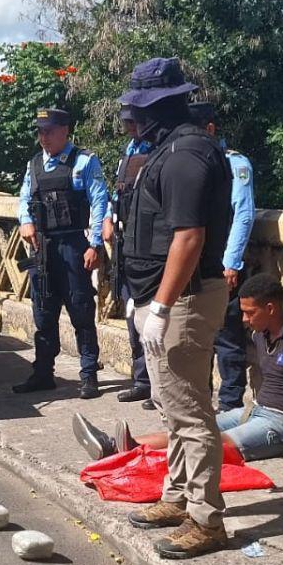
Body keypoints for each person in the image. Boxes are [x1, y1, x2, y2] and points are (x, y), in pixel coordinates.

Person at [120, 57, 232, 560]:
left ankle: (206, 519)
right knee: (171, 405)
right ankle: (178, 496)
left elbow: (189, 237)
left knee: (189, 411)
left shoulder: (187, 153)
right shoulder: (168, 148)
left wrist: (161, 305)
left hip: (185, 298)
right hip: (165, 295)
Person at [74, 273, 283, 464]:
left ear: (271, 308)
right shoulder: (260, 334)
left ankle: (132, 454)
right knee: (193, 427)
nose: (245, 320)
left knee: (212, 443)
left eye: (250, 313)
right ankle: (116, 446)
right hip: (258, 411)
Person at [13, 107, 110, 400]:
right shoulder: (34, 165)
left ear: (65, 130)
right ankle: (43, 373)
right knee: (43, 313)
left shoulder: (83, 162)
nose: (44, 137)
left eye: (49, 131)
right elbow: (23, 199)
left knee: (81, 309)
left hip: (72, 246)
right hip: (43, 248)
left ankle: (89, 374)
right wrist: (26, 222)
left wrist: (94, 244)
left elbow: (99, 202)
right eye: (40, 132)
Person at [188, 101, 256, 411]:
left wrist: (231, 263)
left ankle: (230, 405)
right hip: (194, 264)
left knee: (228, 338)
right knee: (197, 339)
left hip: (221, 264)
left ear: (210, 130)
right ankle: (202, 401)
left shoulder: (234, 164)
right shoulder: (190, 161)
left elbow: (243, 215)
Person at [102, 105, 154, 407]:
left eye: (133, 121)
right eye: (126, 122)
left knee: (151, 322)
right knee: (132, 316)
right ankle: (141, 380)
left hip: (148, 247)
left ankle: (155, 385)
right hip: (126, 245)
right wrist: (108, 218)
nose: (129, 127)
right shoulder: (129, 151)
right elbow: (117, 193)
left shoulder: (158, 149)